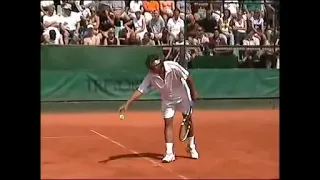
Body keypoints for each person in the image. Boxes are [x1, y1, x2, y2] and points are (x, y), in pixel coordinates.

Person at [118, 55, 199, 163]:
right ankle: (169, 153)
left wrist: (193, 93)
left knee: (188, 121)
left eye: (153, 68)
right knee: (168, 123)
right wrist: (127, 104)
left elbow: (188, 77)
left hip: (183, 98)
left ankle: (192, 147)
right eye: (151, 68)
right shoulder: (150, 76)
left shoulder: (173, 66)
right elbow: (140, 90)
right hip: (167, 101)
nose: (152, 70)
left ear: (160, 65)